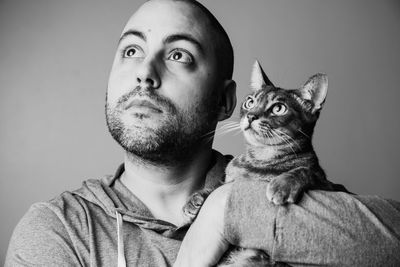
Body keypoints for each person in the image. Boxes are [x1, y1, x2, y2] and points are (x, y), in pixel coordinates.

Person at [6, 0, 400, 266]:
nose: (145, 71)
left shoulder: (269, 183)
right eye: (131, 51)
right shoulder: (59, 229)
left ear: (225, 101)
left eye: (179, 55)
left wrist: (224, 211)